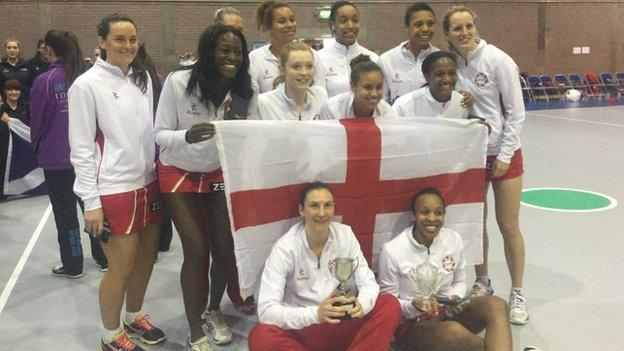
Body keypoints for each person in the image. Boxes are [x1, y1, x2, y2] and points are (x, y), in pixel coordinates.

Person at [154, 24, 258, 351]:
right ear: (207, 51)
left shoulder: (245, 90)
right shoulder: (179, 82)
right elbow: (159, 134)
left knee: (225, 248)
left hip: (217, 172)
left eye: (238, 52)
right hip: (178, 170)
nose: (232, 58)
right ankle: (194, 329)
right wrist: (185, 135)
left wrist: (237, 128)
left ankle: (213, 310)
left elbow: (253, 136)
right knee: (197, 250)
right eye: (224, 50)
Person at [68, 14, 165, 351]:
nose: (128, 46)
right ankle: (110, 336)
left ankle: (134, 316)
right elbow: (80, 148)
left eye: (132, 39)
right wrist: (91, 202)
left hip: (148, 183)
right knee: (119, 268)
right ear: (102, 42)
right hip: (113, 189)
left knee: (146, 259)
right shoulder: (85, 85)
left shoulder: (143, 80)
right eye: (120, 39)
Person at [443, 6, 529, 325]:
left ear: (476, 26)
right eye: (456, 29)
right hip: (472, 154)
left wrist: (505, 155)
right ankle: (483, 281)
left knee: (508, 226)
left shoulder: (498, 60)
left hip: (504, 154)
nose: (463, 33)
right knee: (475, 226)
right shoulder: (450, 63)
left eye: (468, 26)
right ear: (448, 34)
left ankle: (518, 293)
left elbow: (516, 113)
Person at [248, 182, 401, 351]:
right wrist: (316, 314)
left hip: (339, 322)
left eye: (327, 205)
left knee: (389, 304)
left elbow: (368, 282)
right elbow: (266, 311)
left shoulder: (345, 235)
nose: (322, 213)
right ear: (302, 210)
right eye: (314, 206)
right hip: (302, 329)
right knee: (260, 336)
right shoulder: (285, 248)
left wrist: (362, 305)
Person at [377, 187, 513, 351]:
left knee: (496, 304)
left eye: (438, 213)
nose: (432, 218)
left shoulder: (453, 239)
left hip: (447, 312)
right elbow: (388, 303)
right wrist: (414, 305)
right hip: (412, 324)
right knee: (453, 332)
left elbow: (460, 281)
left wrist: (453, 297)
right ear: (413, 216)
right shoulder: (393, 250)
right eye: (424, 212)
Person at [29, 29, 108, 278]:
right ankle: (105, 258)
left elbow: (37, 122)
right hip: (87, 159)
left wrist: (38, 147)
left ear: (50, 49)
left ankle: (73, 265)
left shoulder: (45, 81)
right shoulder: (87, 77)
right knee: (93, 208)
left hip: (58, 161)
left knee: (66, 217)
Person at [250, 0, 324, 93]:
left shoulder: (312, 55)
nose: (289, 25)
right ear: (269, 26)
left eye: (292, 20)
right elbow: (254, 96)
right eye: (282, 21)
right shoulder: (255, 57)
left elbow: (319, 93)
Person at [378, 3, 440, 105]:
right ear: (407, 27)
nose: (425, 29)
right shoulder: (386, 60)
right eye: (419, 24)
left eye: (430, 23)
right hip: (397, 120)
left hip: (432, 120)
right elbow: (382, 101)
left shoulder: (441, 58)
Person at [316, 1, 379, 98]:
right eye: (343, 21)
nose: (350, 26)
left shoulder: (374, 59)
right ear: (333, 25)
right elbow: (318, 99)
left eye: (355, 20)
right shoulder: (319, 58)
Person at [257, 41, 327, 120]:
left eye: (309, 66)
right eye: (296, 66)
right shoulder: (263, 103)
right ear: (282, 69)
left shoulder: (320, 96)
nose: (304, 72)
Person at [393, 51, 468, 119]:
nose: (447, 79)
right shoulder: (404, 105)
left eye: (452, 73)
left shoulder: (462, 102)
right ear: (426, 77)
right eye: (440, 74)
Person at [320, 54, 397, 119]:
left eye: (379, 87)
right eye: (368, 87)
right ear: (353, 87)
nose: (374, 94)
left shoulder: (389, 115)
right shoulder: (331, 109)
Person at [0, 38, 33, 103]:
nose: (12, 50)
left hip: (24, 105)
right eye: (9, 48)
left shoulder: (27, 65)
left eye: (15, 48)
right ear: (5, 50)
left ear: (19, 50)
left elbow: (31, 85)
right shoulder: (1, 66)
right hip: (6, 106)